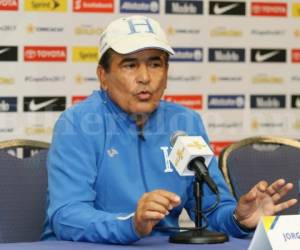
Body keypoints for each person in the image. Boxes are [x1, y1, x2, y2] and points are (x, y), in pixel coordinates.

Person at [41, 15, 297, 244]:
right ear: (103, 76)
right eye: (129, 65)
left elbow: (211, 208)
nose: (145, 77)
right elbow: (67, 216)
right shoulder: (77, 124)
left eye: (155, 64)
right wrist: (131, 224)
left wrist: (238, 219)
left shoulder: (185, 122)